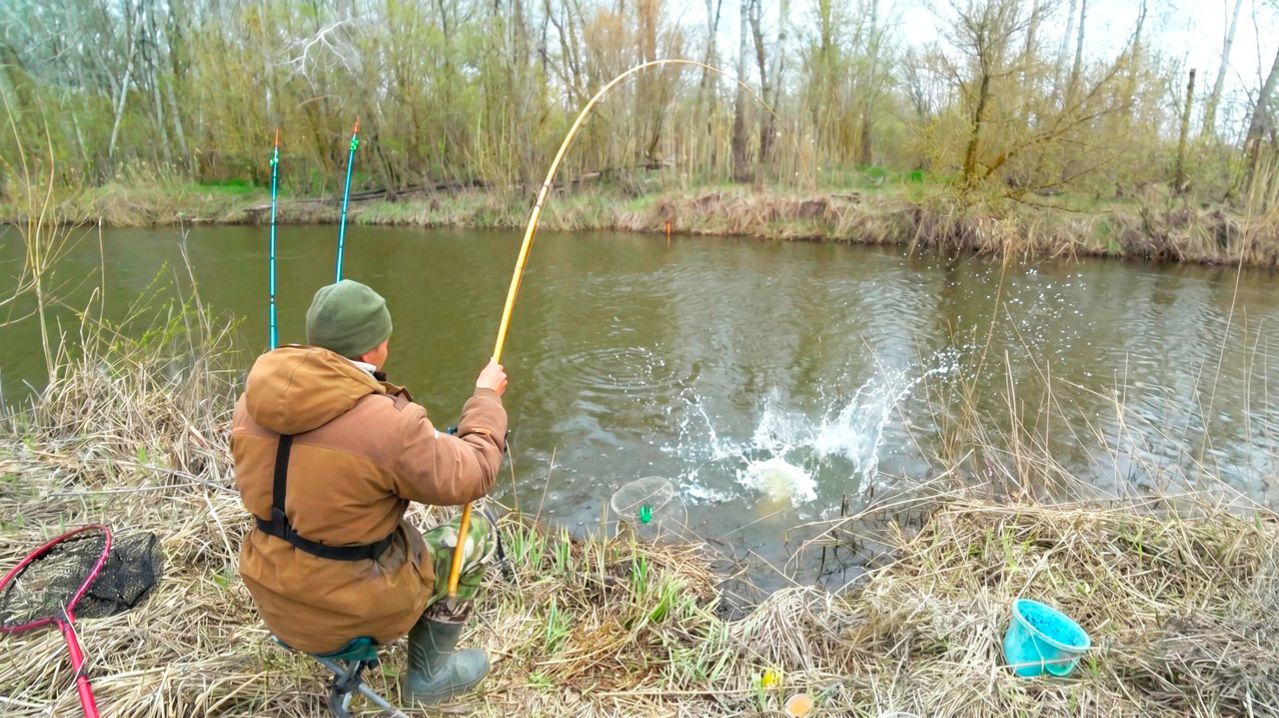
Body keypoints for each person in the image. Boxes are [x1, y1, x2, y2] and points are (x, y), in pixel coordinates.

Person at [231, 279, 508, 705]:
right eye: (385, 337)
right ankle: (430, 678)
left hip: (272, 596)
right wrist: (486, 398)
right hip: (351, 611)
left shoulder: (251, 403)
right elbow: (474, 473)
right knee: (479, 534)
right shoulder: (390, 425)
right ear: (371, 351)